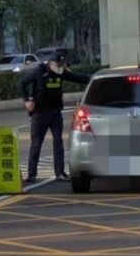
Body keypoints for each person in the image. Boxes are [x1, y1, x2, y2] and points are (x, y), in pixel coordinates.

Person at [19, 53, 89, 183]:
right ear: (50, 62)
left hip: (55, 112)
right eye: (58, 64)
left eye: (62, 64)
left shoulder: (61, 72)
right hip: (39, 113)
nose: (60, 67)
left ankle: (60, 173)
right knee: (36, 144)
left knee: (58, 143)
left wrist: (95, 79)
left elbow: (78, 78)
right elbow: (22, 83)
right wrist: (27, 99)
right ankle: (31, 174)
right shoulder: (39, 71)